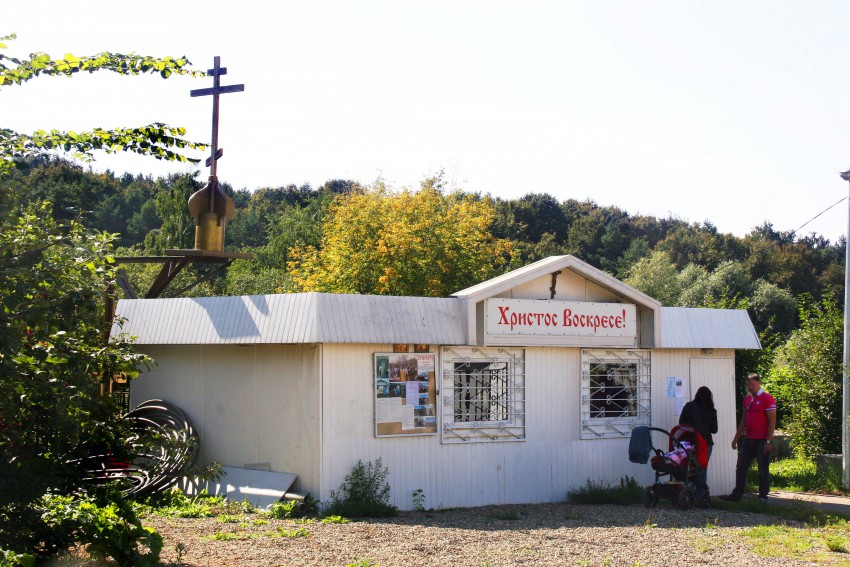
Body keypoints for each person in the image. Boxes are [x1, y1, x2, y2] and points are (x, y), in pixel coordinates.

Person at [720, 373, 777, 504]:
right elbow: (744, 419)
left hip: (762, 439)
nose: (750, 386)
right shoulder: (747, 399)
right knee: (741, 466)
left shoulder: (767, 399)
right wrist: (736, 437)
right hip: (749, 439)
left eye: (752, 384)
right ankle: (737, 494)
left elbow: (772, 421)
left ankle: (763, 496)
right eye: (748, 384)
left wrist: (768, 440)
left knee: (763, 468)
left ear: (758, 383)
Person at [679, 386, 718, 492]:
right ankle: (701, 493)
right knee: (702, 467)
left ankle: (688, 490)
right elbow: (714, 430)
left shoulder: (688, 406)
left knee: (688, 466)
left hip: (689, 442)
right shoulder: (712, 410)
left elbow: (681, 423)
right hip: (706, 443)